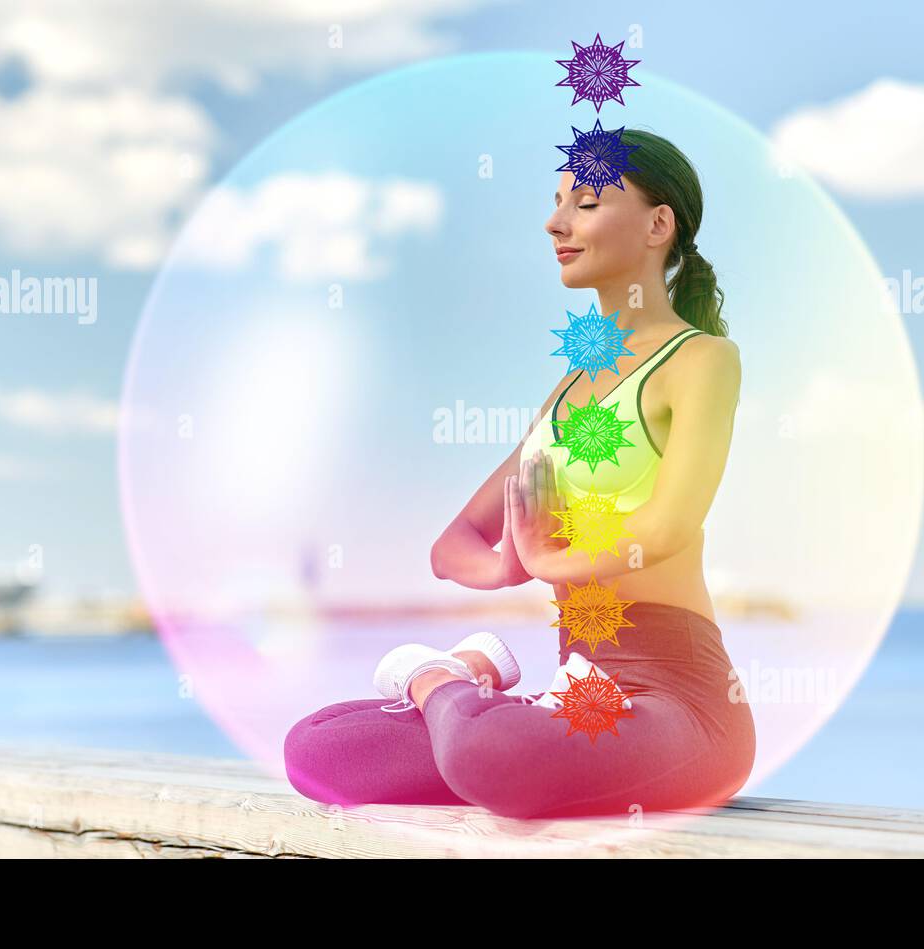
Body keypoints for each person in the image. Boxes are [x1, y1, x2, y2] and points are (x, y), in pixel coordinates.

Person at [283, 129, 755, 820]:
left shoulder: (703, 360)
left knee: (496, 755)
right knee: (319, 750)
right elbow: (452, 546)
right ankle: (464, 684)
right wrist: (509, 563)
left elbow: (665, 525)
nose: (555, 221)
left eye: (586, 203)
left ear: (659, 225)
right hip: (579, 688)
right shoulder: (569, 393)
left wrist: (549, 556)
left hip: (680, 701)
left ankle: (440, 678)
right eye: (557, 202)